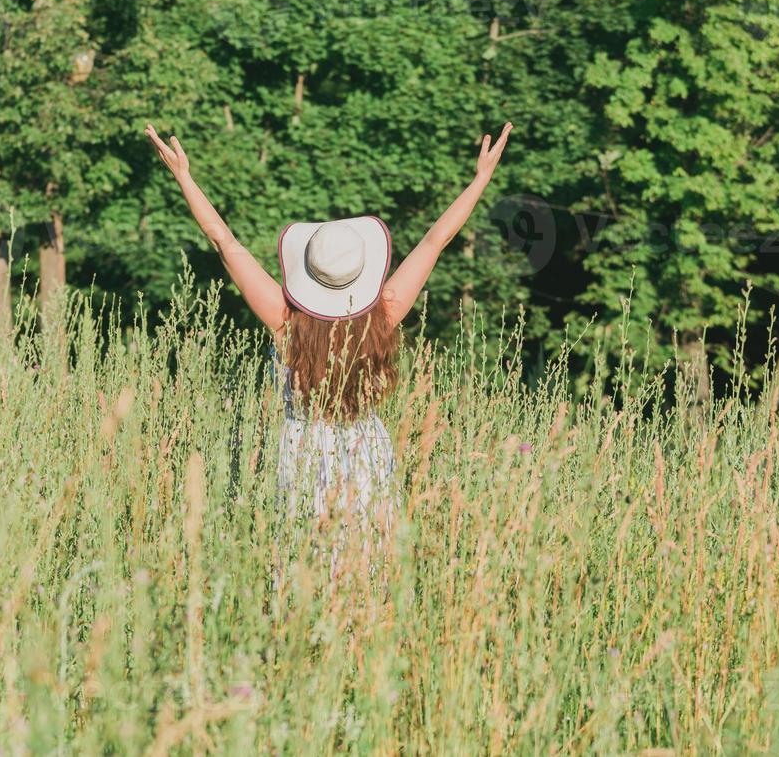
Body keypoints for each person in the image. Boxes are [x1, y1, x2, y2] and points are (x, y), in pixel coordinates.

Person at [143, 121, 513, 550]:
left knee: (304, 566)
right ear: (361, 272)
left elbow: (223, 240)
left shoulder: (286, 323)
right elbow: (435, 241)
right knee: (367, 567)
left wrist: (184, 177)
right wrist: (480, 179)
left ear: (308, 273)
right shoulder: (383, 317)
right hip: (367, 451)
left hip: (301, 453)